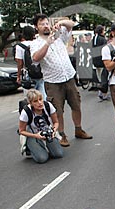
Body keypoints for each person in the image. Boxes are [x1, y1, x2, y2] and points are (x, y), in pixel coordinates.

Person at [31, 14, 93, 147]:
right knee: (57, 110)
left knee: (76, 104)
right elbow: (36, 58)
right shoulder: (35, 43)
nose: (46, 26)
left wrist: (62, 23)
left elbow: (71, 24)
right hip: (53, 81)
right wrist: (47, 43)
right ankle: (62, 134)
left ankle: (78, 129)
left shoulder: (58, 36)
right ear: (36, 27)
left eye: (47, 23)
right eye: (42, 24)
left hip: (68, 77)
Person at [18, 89, 63, 164]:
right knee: (42, 158)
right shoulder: (26, 112)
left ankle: (45, 146)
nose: (39, 103)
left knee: (58, 154)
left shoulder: (48, 105)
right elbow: (21, 131)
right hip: (32, 134)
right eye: (35, 101)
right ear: (31, 103)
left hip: (47, 131)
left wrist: (53, 131)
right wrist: (36, 136)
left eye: (40, 99)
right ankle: (30, 147)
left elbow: (56, 122)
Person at [15, 26, 46, 100]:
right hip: (40, 72)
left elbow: (20, 63)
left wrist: (18, 76)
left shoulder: (19, 46)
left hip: (28, 75)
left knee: (30, 97)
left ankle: (32, 111)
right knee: (42, 95)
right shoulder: (37, 43)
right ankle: (44, 108)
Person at [92, 25, 110, 101]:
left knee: (100, 78)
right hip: (102, 60)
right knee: (104, 78)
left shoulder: (94, 39)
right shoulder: (103, 39)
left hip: (95, 60)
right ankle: (103, 94)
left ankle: (100, 92)